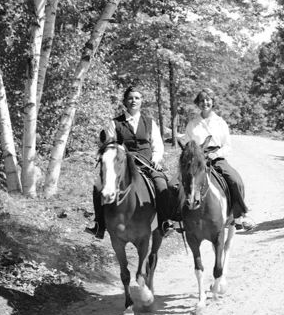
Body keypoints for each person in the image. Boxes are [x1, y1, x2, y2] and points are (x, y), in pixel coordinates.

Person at [88, 86, 176, 239]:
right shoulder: (114, 123)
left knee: (162, 184)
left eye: (137, 98)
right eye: (130, 98)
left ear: (141, 101)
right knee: (98, 186)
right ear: (125, 102)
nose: (133, 101)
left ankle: (165, 222)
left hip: (147, 164)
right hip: (123, 166)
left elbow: (157, 145)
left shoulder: (150, 122)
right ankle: (99, 225)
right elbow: (109, 146)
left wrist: (155, 160)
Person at [179, 90, 255, 231]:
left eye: (208, 100)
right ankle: (178, 219)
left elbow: (228, 146)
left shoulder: (220, 122)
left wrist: (216, 154)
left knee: (235, 180)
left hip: (216, 157)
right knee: (177, 183)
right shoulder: (192, 124)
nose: (205, 103)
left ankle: (239, 216)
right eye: (201, 100)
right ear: (198, 103)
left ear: (213, 102)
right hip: (197, 160)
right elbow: (189, 144)